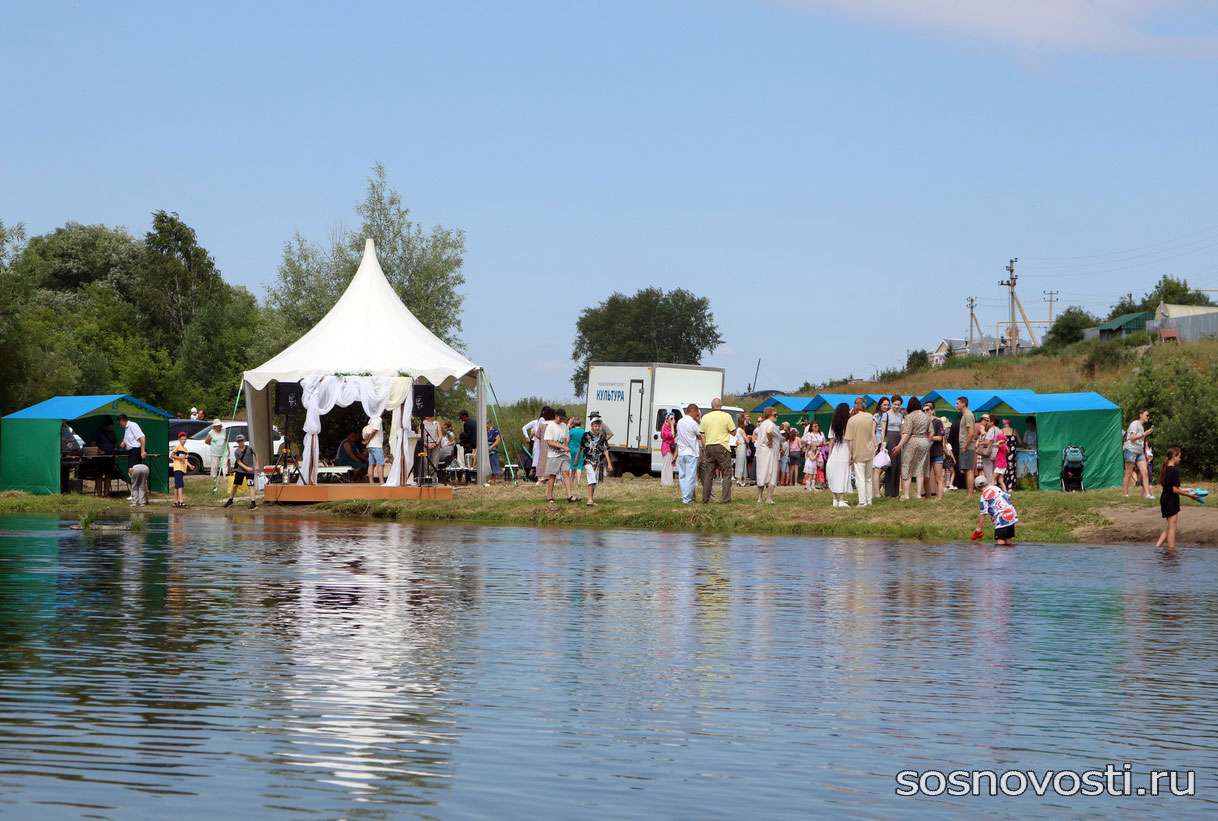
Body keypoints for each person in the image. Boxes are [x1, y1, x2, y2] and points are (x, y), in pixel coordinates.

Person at [1156, 447, 1198, 549]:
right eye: (1179, 457)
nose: (1180, 459)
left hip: (1165, 498)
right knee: (1172, 527)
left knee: (1170, 526)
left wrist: (1187, 489)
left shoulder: (1166, 469)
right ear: (1174, 457)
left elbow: (1171, 487)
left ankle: (1157, 547)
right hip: (1171, 500)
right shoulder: (1174, 470)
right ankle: (1171, 552)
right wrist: (1190, 496)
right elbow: (1174, 490)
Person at [891, 395, 930, 501]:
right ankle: (918, 494)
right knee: (920, 467)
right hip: (924, 441)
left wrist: (899, 446)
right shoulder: (926, 416)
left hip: (912, 442)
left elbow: (907, 433)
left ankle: (906, 494)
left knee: (906, 466)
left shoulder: (909, 416)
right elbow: (931, 431)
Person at [698, 398, 736, 503]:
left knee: (708, 474)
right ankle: (726, 499)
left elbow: (702, 433)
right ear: (721, 406)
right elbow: (733, 432)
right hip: (722, 446)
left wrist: (705, 445)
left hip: (709, 446)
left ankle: (705, 499)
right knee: (726, 473)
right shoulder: (726, 416)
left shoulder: (705, 417)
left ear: (712, 406)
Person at [845, 399, 875, 507]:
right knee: (868, 478)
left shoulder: (851, 420)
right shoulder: (870, 417)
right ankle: (869, 500)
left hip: (858, 452)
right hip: (869, 450)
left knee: (860, 479)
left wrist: (850, 455)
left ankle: (862, 502)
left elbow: (850, 440)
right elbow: (873, 434)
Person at [579, 417, 613, 506]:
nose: (597, 427)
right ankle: (589, 500)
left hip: (597, 461)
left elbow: (605, 450)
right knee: (592, 478)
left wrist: (609, 463)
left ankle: (591, 499)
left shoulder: (602, 437)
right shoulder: (586, 435)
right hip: (587, 460)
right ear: (592, 426)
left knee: (594, 481)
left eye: (599, 426)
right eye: (595, 426)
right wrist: (576, 459)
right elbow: (581, 447)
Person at [543, 407, 575, 503]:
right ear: (556, 416)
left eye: (563, 418)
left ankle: (569, 496)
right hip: (553, 455)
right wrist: (562, 447)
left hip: (563, 455)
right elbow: (549, 442)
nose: (561, 420)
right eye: (560, 418)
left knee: (566, 473)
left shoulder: (564, 426)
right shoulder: (550, 426)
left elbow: (566, 439)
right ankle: (549, 496)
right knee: (552, 475)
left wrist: (566, 447)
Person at [976, 476, 1018, 546]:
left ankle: (1001, 556)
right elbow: (1007, 497)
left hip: (1002, 518)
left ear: (977, 487)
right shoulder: (996, 488)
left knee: (1000, 542)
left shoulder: (983, 496)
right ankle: (1010, 556)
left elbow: (983, 513)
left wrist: (979, 529)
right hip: (1011, 513)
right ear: (987, 483)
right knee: (1008, 539)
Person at [1123, 409, 1154, 499]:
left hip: (1139, 452)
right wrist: (1144, 434)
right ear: (1141, 415)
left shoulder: (1141, 426)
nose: (1148, 417)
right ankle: (1125, 494)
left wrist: (1145, 453)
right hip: (1130, 450)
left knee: (1145, 472)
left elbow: (1141, 442)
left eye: (1148, 415)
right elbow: (1132, 438)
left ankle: (1147, 494)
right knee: (1128, 473)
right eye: (1146, 415)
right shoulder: (1135, 424)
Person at [826, 403, 852, 507]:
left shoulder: (833, 424)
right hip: (845, 452)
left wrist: (829, 456)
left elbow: (831, 441)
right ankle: (841, 500)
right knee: (843, 475)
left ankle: (835, 499)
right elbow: (850, 441)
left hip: (835, 453)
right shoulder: (848, 424)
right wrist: (851, 455)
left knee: (834, 475)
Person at [752, 406, 780, 504]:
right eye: (775, 415)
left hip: (761, 452)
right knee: (772, 474)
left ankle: (759, 498)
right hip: (769, 452)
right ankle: (769, 498)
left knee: (761, 473)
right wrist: (771, 441)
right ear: (769, 415)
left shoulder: (762, 424)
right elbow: (769, 431)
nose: (777, 416)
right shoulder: (770, 424)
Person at [675, 404, 702, 505]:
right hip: (691, 452)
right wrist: (699, 421)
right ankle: (687, 499)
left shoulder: (679, 422)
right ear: (693, 411)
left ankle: (684, 496)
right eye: (697, 413)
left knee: (682, 476)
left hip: (681, 452)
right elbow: (700, 435)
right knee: (690, 477)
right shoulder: (693, 423)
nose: (697, 414)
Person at [223, 434, 258, 509]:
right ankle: (230, 500)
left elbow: (256, 454)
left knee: (251, 485)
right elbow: (239, 462)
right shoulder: (236, 451)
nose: (240, 442)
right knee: (235, 485)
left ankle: (253, 502)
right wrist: (247, 468)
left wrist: (257, 464)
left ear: (244, 440)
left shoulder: (250, 448)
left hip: (250, 471)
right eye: (239, 441)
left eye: (241, 441)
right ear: (237, 442)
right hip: (240, 470)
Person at [117, 414, 147, 502]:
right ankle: (135, 494)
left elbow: (142, 437)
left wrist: (142, 451)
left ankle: (135, 495)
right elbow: (129, 437)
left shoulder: (133, 425)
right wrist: (123, 442)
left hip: (135, 451)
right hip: (131, 451)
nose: (119, 425)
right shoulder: (126, 428)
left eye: (119, 422)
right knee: (132, 472)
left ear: (123, 420)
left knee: (133, 472)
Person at [881, 395, 905, 498]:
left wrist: (901, 444)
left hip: (898, 439)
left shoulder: (900, 415)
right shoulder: (886, 415)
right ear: (891, 404)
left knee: (898, 465)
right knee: (890, 465)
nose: (896, 406)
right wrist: (883, 443)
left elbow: (901, 430)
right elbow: (883, 430)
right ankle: (889, 492)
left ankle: (895, 492)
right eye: (895, 404)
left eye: (898, 405)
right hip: (889, 439)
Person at [956, 397, 977, 496]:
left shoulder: (968, 415)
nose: (957, 405)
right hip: (966, 446)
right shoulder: (966, 415)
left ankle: (970, 494)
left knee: (968, 470)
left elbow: (971, 432)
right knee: (966, 470)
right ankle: (969, 492)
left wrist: (965, 445)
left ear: (963, 403)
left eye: (958, 403)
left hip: (967, 446)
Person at [926, 402, 946, 500]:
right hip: (926, 453)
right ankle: (928, 496)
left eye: (928, 409)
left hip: (937, 452)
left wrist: (929, 437)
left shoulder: (937, 422)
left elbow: (940, 438)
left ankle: (939, 498)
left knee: (938, 477)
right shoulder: (922, 422)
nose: (926, 412)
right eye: (924, 410)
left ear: (932, 410)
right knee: (926, 476)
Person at [204, 420, 228, 494]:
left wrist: (228, 449)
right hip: (215, 452)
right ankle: (214, 479)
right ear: (214, 427)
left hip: (224, 452)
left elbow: (226, 440)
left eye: (219, 426)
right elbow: (206, 441)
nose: (218, 427)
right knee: (214, 466)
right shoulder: (211, 432)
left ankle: (225, 478)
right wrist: (213, 444)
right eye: (217, 426)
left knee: (224, 465)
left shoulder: (224, 431)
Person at [363, 414, 385, 484]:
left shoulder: (371, 419)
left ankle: (371, 482)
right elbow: (374, 431)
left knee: (371, 464)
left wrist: (367, 441)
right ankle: (382, 482)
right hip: (376, 445)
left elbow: (368, 432)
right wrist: (368, 440)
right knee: (380, 464)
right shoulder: (378, 419)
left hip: (370, 446)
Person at [802, 421, 824, 491]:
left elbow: (823, 442)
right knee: (809, 471)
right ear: (811, 427)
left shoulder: (821, 433)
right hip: (812, 452)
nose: (816, 427)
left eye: (817, 426)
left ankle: (814, 485)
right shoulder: (809, 434)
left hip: (819, 452)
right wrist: (810, 445)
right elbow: (802, 440)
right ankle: (807, 485)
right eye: (814, 426)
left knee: (816, 470)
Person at [170, 431, 190, 508]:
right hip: (177, 468)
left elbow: (185, 460)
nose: (183, 440)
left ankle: (175, 502)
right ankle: (181, 501)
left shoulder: (185, 449)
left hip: (182, 469)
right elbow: (172, 455)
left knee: (177, 486)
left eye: (185, 439)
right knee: (180, 485)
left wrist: (190, 465)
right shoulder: (177, 447)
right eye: (182, 439)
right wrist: (180, 457)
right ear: (179, 439)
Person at [567, 416, 586, 488]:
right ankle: (578, 482)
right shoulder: (583, 431)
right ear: (580, 424)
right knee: (579, 466)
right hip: (580, 450)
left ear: (574, 424)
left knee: (572, 465)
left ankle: (571, 481)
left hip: (572, 450)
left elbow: (568, 440)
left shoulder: (571, 431)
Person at [659, 413, 676, 487]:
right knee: (666, 466)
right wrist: (672, 425)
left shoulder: (668, 426)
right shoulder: (665, 427)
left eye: (673, 418)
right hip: (666, 448)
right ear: (667, 419)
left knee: (669, 466)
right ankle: (665, 482)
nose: (673, 420)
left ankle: (669, 482)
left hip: (670, 448)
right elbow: (672, 435)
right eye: (671, 419)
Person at [733, 415, 750, 488]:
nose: (747, 422)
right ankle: (740, 480)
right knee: (741, 462)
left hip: (739, 447)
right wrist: (748, 437)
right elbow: (747, 440)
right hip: (742, 447)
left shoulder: (737, 429)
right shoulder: (741, 430)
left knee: (739, 462)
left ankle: (739, 480)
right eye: (745, 421)